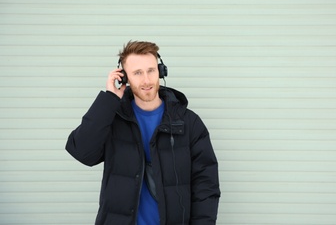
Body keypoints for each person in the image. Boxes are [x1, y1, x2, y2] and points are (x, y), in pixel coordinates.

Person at [65, 40, 220, 225]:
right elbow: (82, 152)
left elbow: (206, 186)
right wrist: (109, 99)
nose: (146, 80)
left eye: (151, 70)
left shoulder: (189, 123)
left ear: (160, 71)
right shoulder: (112, 119)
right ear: (124, 77)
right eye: (137, 73)